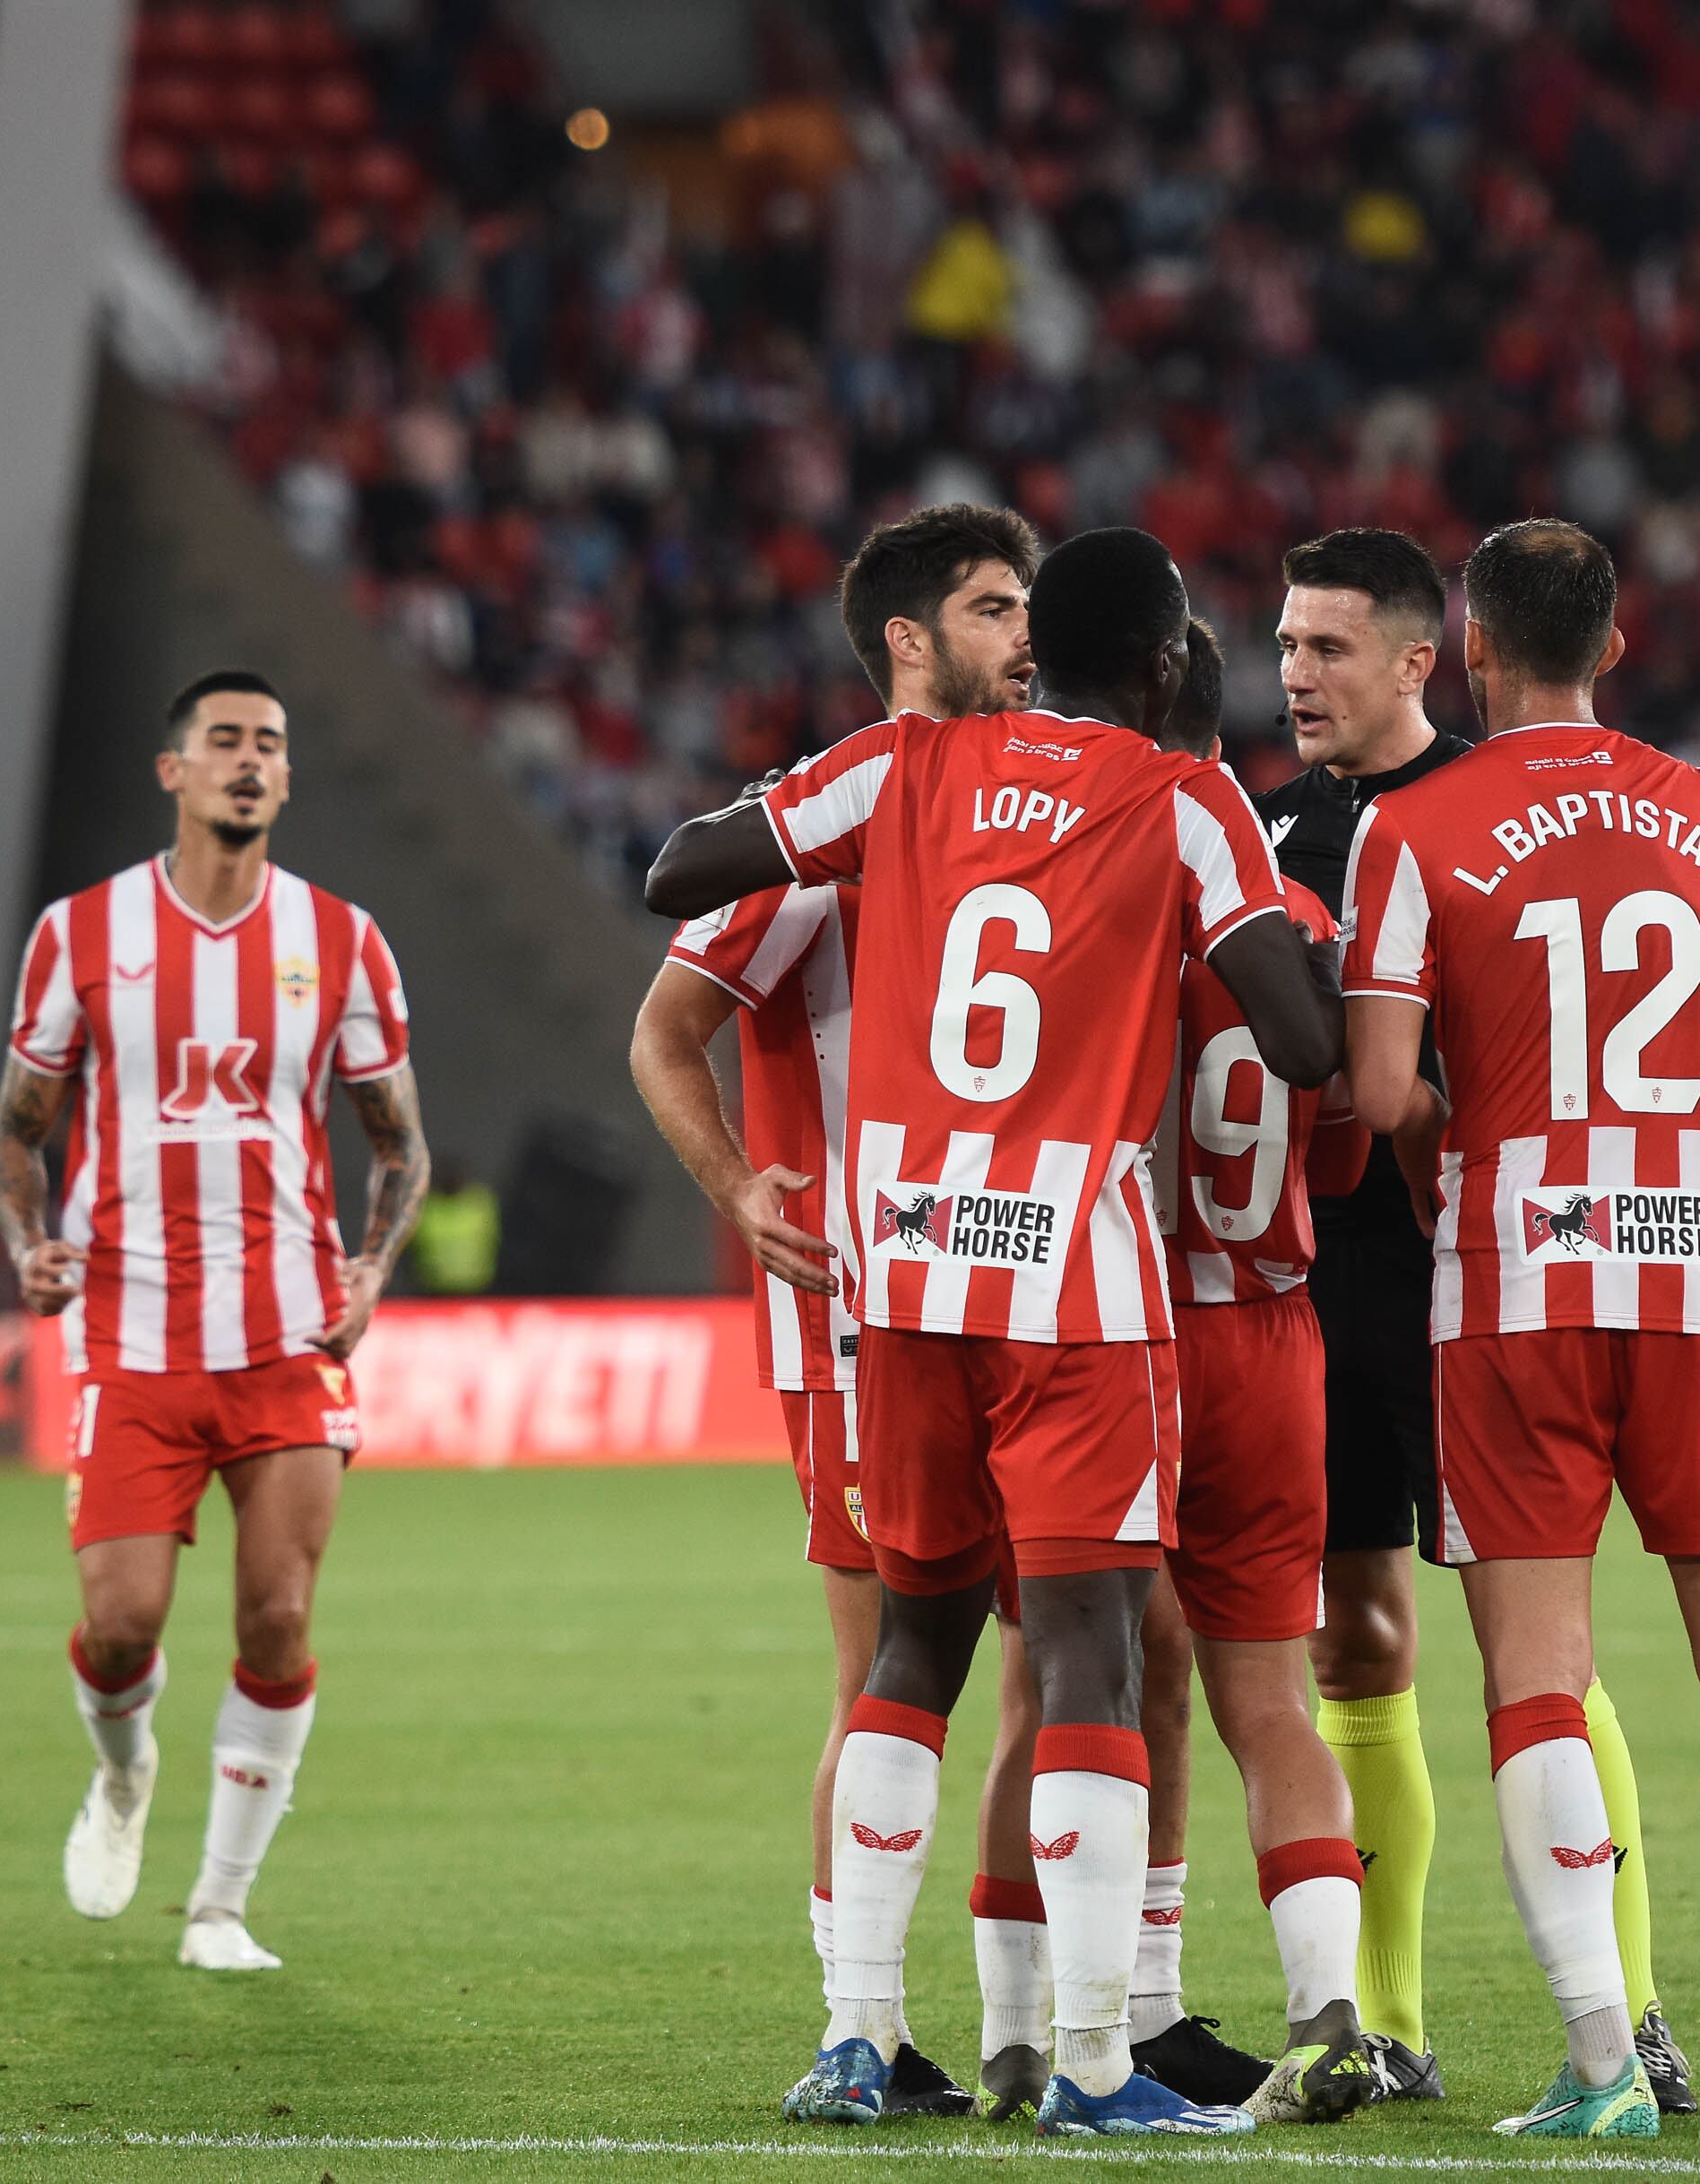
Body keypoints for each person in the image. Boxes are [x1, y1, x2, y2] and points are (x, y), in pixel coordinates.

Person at [643, 526, 1339, 2137]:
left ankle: (859, 2032)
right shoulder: (1184, 798)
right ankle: (1097, 2057)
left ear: (1044, 648)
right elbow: (1298, 1042)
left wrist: (825, 834)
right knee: (1089, 1656)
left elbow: (683, 867)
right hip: (1068, 1295)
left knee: (911, 1655)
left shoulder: (900, 767)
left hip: (901, 1282)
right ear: (1166, 667)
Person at [1340, 520, 1700, 2137]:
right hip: (1693, 1284)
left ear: (1468, 649)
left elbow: (1383, 1091)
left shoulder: (1414, 827)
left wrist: (1461, 1113)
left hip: (1515, 1290)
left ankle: (1603, 2063)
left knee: (1536, 1681)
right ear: (1614, 643)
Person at [1252, 527, 1693, 2108]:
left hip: (1484, 1278)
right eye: (1287, 648)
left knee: (1543, 1652)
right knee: (1354, 1633)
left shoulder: (1498, 811)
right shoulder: (1261, 829)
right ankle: (1391, 2019)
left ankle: (1635, 2006)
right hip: (1335, 1278)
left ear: (1423, 659)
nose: (1298, 675)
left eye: (1329, 649)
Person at [628, 504, 1040, 2122]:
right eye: (996, 609)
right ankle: (858, 2023)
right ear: (910, 646)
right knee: (889, 1674)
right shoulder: (824, 827)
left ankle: (1038, 2022)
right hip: (865, 1320)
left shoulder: (1041, 802)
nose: (1027, 634)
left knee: (1060, 1666)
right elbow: (665, 1031)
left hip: (1026, 1302)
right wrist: (738, 1185)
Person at [0, 669, 427, 1974]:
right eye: (224, 740)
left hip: (290, 1329)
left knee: (278, 1619)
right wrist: (31, 1245)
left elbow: (397, 1143)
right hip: (131, 1330)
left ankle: (219, 1906)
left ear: (288, 780)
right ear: (172, 769)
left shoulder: (343, 939)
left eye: (271, 745)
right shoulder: (81, 934)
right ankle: (123, 1776)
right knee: (122, 1622)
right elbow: (17, 1131)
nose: (249, 760)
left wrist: (372, 1265)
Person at [1142, 618, 1377, 2125]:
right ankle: (1331, 2007)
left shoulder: (1096, 890)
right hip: (1279, 1330)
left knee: (1084, 1676)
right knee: (1271, 1697)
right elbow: (1344, 1142)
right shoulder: (1295, 914)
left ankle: (1110, 2011)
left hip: (1131, 1330)